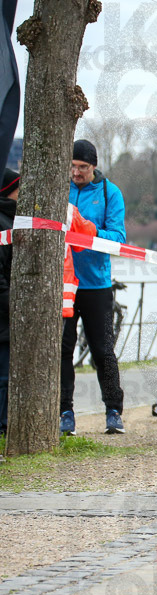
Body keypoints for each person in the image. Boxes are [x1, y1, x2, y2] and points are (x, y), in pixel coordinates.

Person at [61, 139, 127, 436]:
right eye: (73, 166)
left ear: (94, 166)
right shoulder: (59, 189)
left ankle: (114, 410)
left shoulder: (109, 193)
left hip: (97, 284)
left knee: (103, 350)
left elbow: (119, 239)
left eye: (83, 167)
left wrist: (89, 230)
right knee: (63, 349)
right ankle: (65, 412)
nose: (76, 172)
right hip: (63, 283)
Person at [0, 169, 15, 434]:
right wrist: (15, 307)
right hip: (4, 313)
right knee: (3, 376)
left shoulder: (12, 220)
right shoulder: (4, 224)